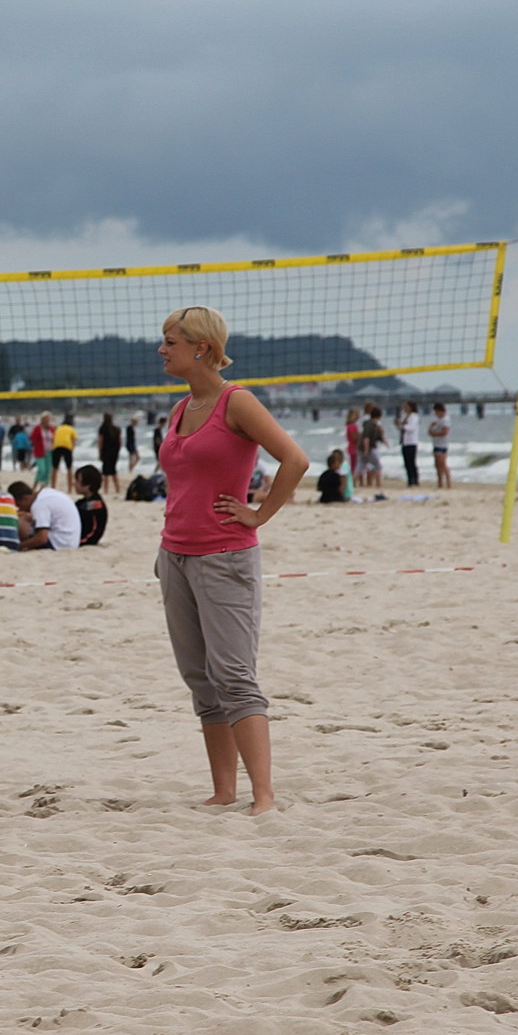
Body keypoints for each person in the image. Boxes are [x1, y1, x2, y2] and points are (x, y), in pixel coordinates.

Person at [155, 305, 308, 815]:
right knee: (201, 679)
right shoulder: (182, 407)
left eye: (170, 341)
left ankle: (264, 796)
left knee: (234, 675)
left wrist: (259, 514)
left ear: (201, 347)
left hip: (224, 558)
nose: (161, 349)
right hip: (175, 554)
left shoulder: (236, 401)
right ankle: (225, 791)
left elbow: (295, 459)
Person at [8, 481, 80, 551]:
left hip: (60, 544)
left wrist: (19, 546)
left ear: (24, 499)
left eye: (19, 505)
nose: (20, 509)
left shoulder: (38, 505)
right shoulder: (46, 493)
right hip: (71, 541)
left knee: (21, 521)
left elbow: (42, 538)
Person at [72, 464, 108, 546]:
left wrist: (79, 541)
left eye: (77, 481)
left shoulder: (95, 505)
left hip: (86, 540)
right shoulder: (82, 502)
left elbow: (95, 532)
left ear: (88, 485)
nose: (74, 484)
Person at [359, 404, 385, 490]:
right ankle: (377, 483)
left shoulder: (367, 422)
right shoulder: (371, 424)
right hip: (371, 447)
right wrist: (366, 450)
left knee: (363, 465)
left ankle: (364, 482)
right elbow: (367, 438)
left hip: (367, 447)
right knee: (377, 466)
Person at [395, 400, 420, 487]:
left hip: (411, 442)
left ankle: (414, 480)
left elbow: (411, 428)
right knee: (406, 462)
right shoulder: (406, 417)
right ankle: (410, 479)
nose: (404, 408)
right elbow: (402, 428)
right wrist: (399, 425)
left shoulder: (414, 416)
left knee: (411, 462)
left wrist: (402, 425)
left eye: (406, 407)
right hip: (405, 442)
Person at [96, 412, 123, 494]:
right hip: (114, 452)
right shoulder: (116, 429)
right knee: (113, 470)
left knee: (105, 472)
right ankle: (117, 488)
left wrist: (100, 452)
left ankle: (106, 490)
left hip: (106, 452)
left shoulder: (102, 428)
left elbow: (101, 441)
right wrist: (118, 450)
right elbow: (120, 442)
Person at [428, 402, 452, 489]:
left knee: (443, 464)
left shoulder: (446, 419)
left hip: (442, 444)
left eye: (437, 412)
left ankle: (448, 482)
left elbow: (445, 432)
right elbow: (430, 432)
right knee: (437, 465)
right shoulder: (438, 420)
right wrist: (430, 428)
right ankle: (440, 482)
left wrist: (434, 433)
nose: (436, 414)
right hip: (436, 444)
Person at [50, 416, 78, 492]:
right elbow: (74, 440)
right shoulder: (71, 429)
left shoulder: (58, 428)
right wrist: (72, 450)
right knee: (69, 468)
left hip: (56, 447)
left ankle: (53, 486)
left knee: (54, 468)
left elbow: (53, 439)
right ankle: (69, 489)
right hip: (67, 447)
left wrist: (52, 448)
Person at [29, 412, 53, 486]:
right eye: (45, 419)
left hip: (50, 451)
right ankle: (34, 486)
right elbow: (32, 438)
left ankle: (43, 487)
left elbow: (54, 438)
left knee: (48, 471)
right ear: (42, 419)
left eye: (48, 419)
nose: (47, 421)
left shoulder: (51, 428)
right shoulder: (37, 428)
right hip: (39, 451)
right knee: (42, 470)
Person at [343, 408, 361, 481]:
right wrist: (360, 436)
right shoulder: (352, 426)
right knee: (355, 466)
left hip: (351, 447)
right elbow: (354, 438)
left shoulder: (349, 425)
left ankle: (353, 479)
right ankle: (353, 480)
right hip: (354, 447)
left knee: (354, 465)